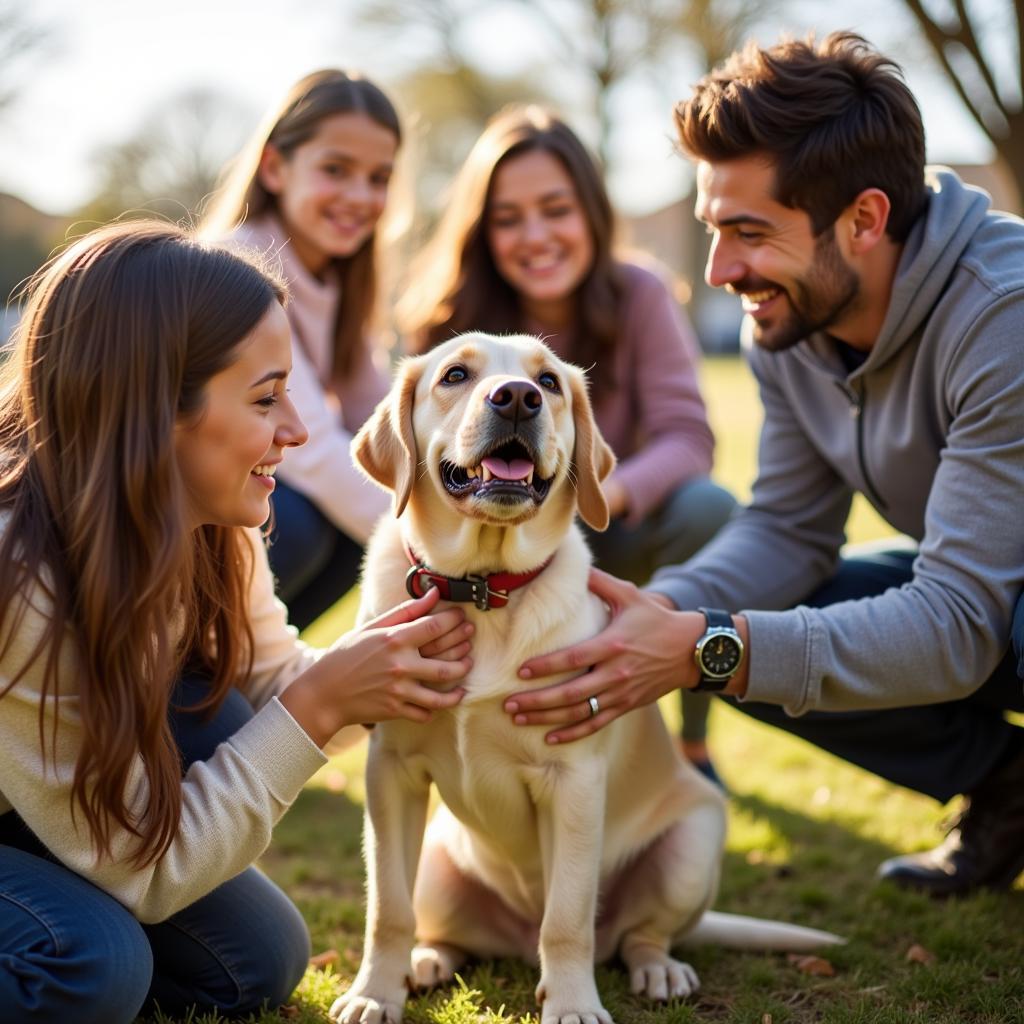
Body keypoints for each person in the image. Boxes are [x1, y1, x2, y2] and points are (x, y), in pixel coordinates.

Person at [500, 32, 1024, 898]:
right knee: (734, 613)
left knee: (729, 640)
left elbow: (960, 627)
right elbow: (787, 527)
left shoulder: (1002, 317)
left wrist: (709, 649)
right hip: (993, 594)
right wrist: (660, 615)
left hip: (999, 613)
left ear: (863, 220)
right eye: (713, 229)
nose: (718, 271)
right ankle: (1007, 786)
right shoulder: (791, 317)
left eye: (748, 232)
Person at [0, 222, 474, 1023]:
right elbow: (150, 874)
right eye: (266, 398)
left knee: (255, 959)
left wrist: (396, 668)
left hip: (37, 804)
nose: (297, 427)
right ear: (154, 411)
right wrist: (321, 706)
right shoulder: (24, 576)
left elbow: (275, 678)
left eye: (293, 389)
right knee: (88, 965)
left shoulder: (216, 526)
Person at [399, 104, 737, 783]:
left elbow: (686, 435)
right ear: (481, 230)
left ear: (590, 212)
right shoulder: (452, 318)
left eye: (556, 209)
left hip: (604, 525)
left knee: (709, 510)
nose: (536, 235)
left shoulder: (640, 293)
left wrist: (596, 491)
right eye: (508, 217)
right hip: (478, 542)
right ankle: (438, 733)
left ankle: (691, 741)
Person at [201, 69, 401, 631]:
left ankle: (251, 674)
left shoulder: (339, 286)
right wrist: (442, 548)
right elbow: (312, 449)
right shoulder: (234, 264)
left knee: (349, 524)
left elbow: (381, 424)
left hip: (243, 491)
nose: (360, 196)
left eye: (378, 177)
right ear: (275, 167)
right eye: (335, 170)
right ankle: (196, 666)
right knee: (298, 516)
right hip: (169, 506)